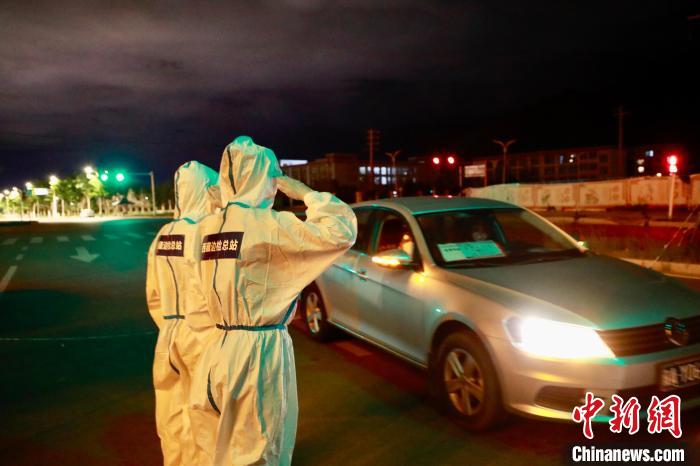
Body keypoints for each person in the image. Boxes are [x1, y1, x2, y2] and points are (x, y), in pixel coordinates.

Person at [190, 136, 357, 466]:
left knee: (216, 450)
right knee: (260, 452)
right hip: (258, 355)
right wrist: (306, 194)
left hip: (215, 349)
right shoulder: (269, 227)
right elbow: (341, 230)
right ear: (267, 180)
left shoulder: (206, 228)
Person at [146, 161, 220, 466]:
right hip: (202, 338)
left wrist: (168, 324)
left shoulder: (163, 235)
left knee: (172, 415)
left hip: (168, 337)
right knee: (206, 418)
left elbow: (153, 294)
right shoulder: (207, 234)